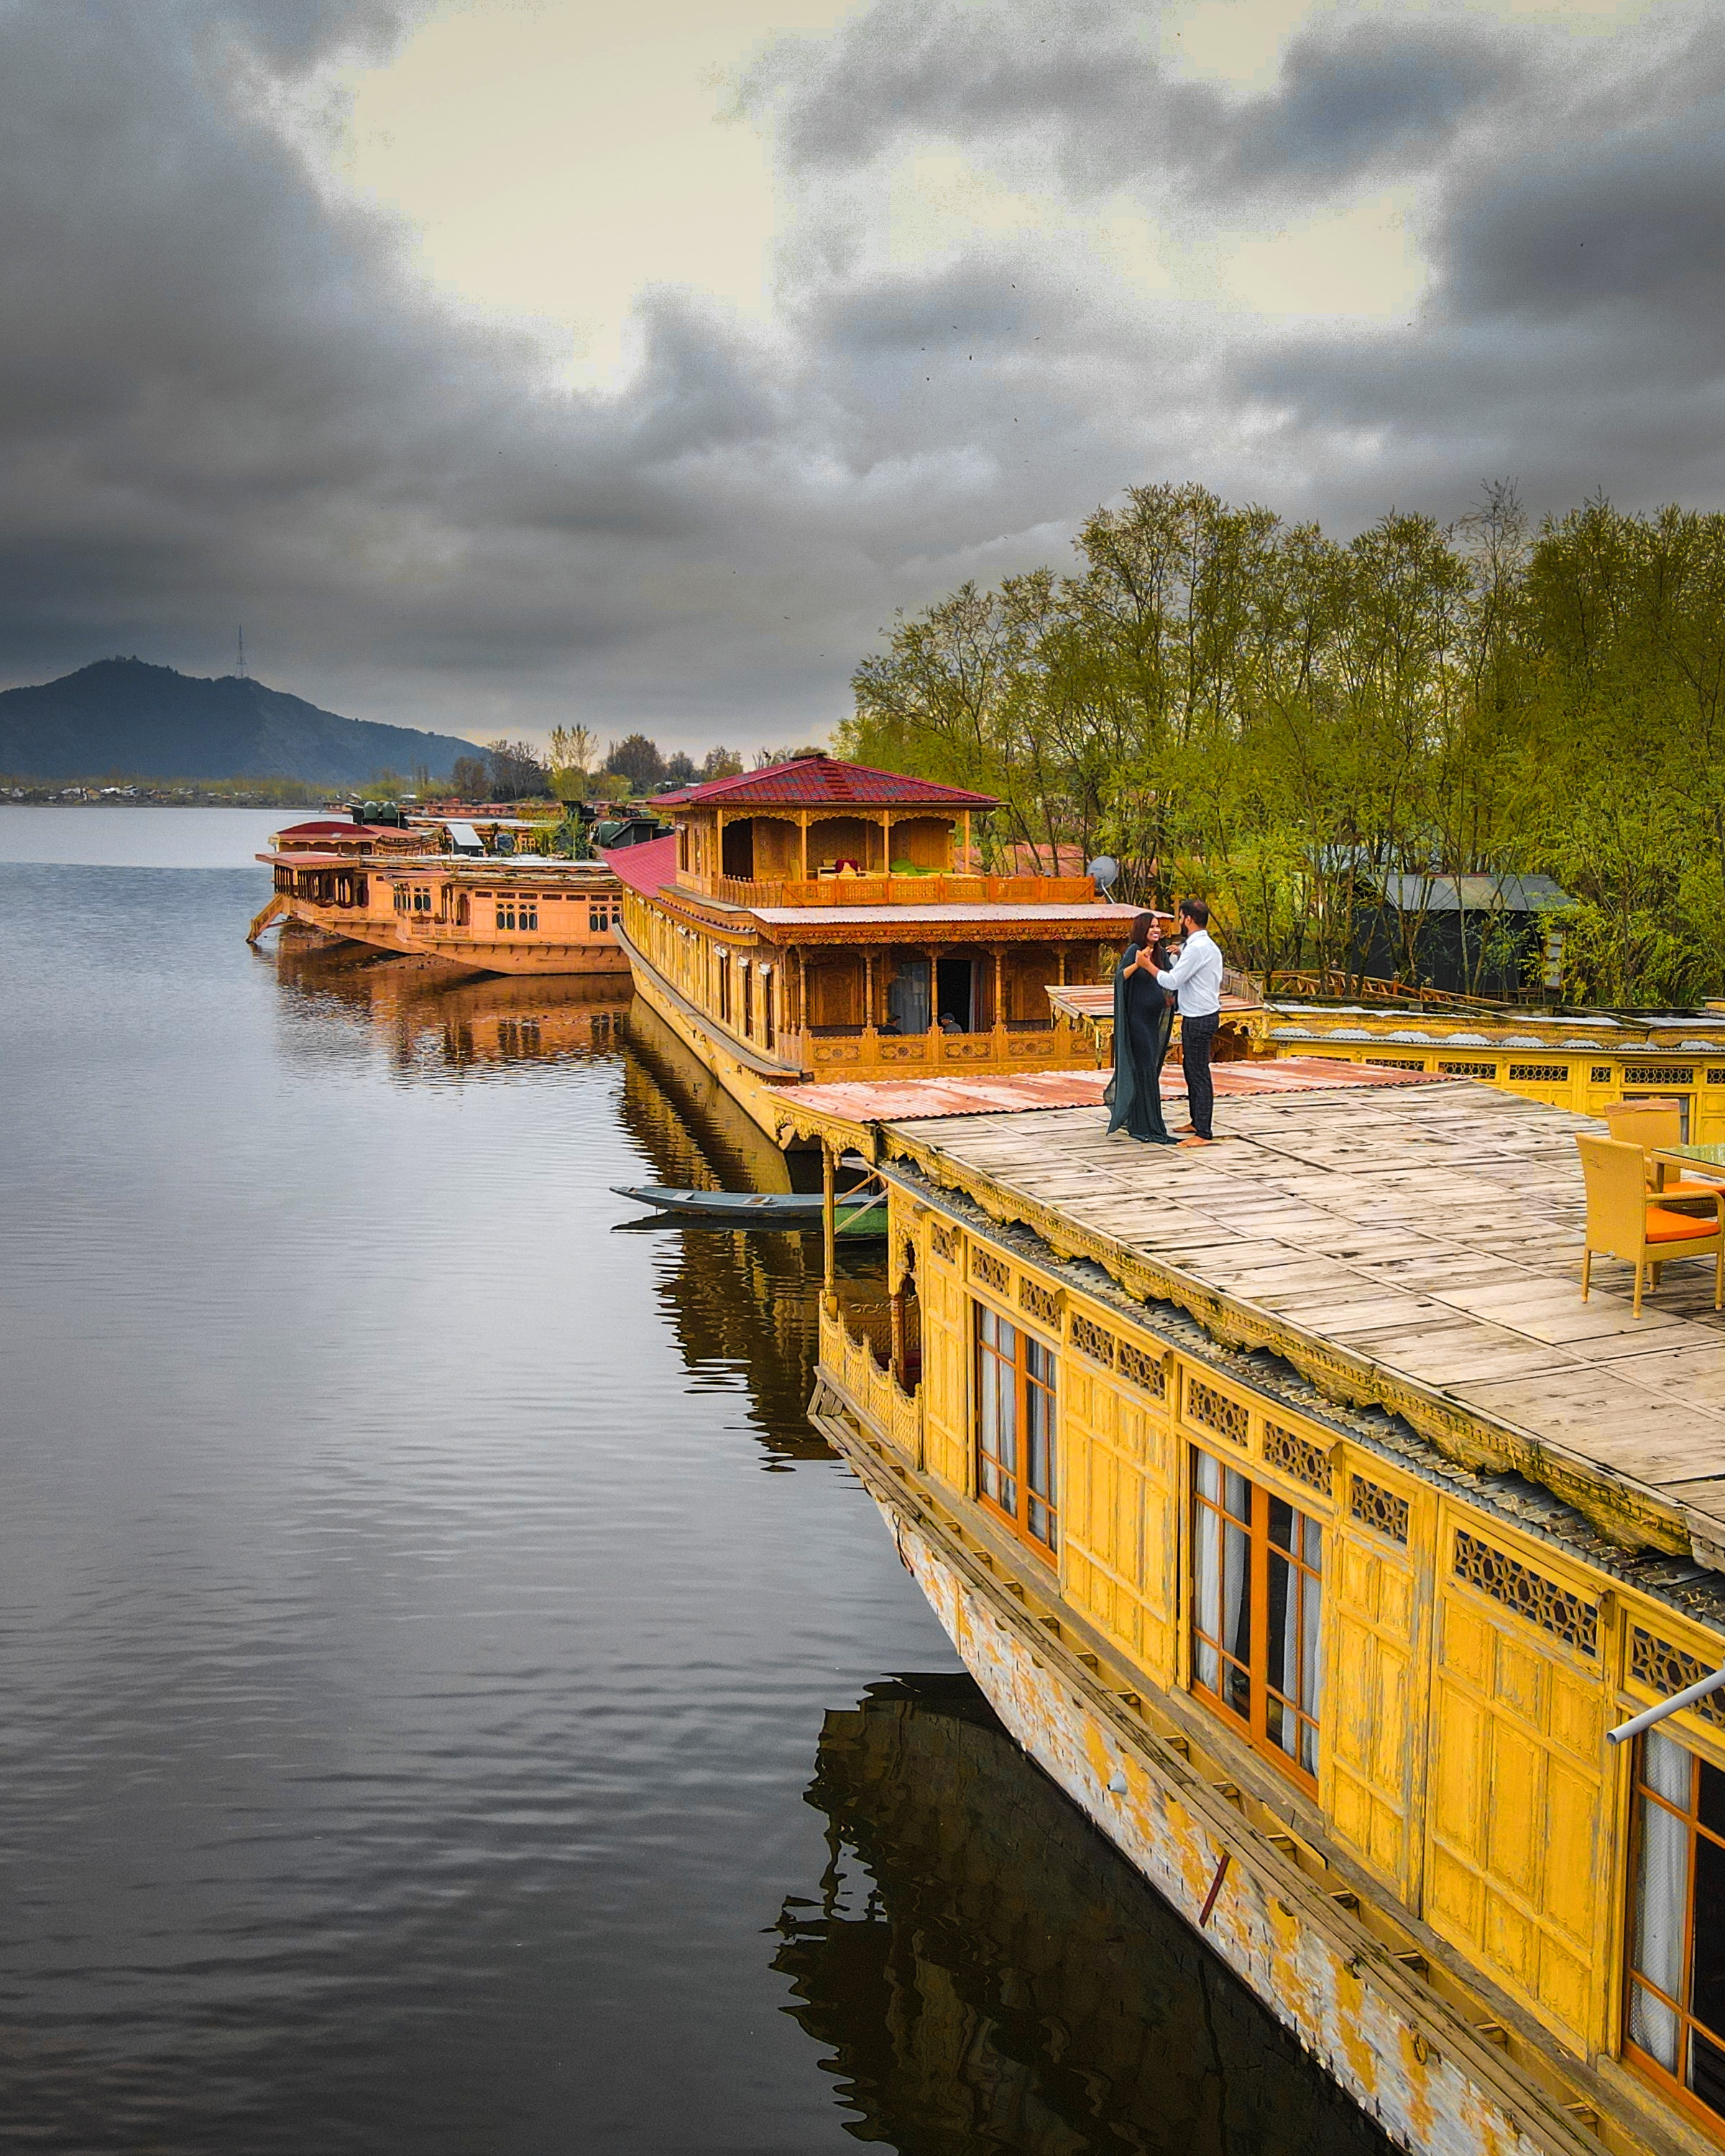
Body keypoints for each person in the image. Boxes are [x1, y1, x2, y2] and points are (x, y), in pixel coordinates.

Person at [1156, 897, 1224, 1144]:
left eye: (1181, 917)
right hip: (1200, 1014)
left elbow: (1173, 981)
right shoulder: (1200, 947)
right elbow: (1191, 975)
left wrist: (1148, 967)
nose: (1180, 922)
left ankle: (1204, 1132)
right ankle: (1197, 1121)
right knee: (1191, 1069)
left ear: (1189, 919)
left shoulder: (1197, 948)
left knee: (1198, 1072)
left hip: (1199, 1017)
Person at [1105, 914, 1176, 1144]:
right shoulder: (1135, 950)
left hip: (1152, 1018)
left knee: (1150, 1067)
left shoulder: (1161, 952)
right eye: (1152, 927)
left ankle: (1144, 1118)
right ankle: (1144, 1123)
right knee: (1144, 1066)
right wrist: (1138, 962)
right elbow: (1120, 978)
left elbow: (1167, 979)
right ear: (1142, 929)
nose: (1156, 930)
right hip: (1137, 1020)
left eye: (1158, 927)